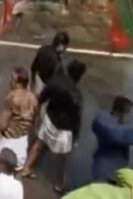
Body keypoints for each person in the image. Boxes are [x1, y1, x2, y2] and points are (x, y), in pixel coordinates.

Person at [22, 59, 87, 194]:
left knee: (39, 145)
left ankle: (26, 167)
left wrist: (36, 118)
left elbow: (40, 100)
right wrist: (76, 136)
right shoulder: (76, 94)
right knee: (61, 157)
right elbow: (77, 118)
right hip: (64, 129)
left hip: (49, 120)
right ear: (79, 76)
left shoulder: (54, 81)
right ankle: (59, 183)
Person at [0, 67, 38, 170]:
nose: (10, 81)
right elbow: (34, 120)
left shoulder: (12, 97)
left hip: (7, 142)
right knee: (15, 170)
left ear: (19, 83)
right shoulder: (33, 99)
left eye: (12, 79)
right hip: (22, 142)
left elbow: (2, 125)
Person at [91, 95, 133, 183]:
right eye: (129, 113)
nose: (129, 118)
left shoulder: (101, 121)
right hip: (109, 175)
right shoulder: (114, 131)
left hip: (98, 169)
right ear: (122, 113)